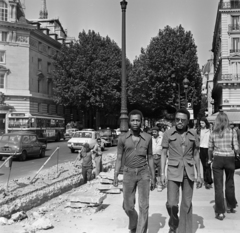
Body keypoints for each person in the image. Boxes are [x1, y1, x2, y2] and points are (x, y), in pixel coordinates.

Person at [113, 109, 155, 233]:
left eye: (137, 120)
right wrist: (116, 174)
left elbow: (150, 157)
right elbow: (119, 157)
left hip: (143, 173)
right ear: (129, 122)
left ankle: (140, 230)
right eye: (133, 120)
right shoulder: (122, 138)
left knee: (144, 206)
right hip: (128, 173)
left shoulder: (148, 138)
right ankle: (134, 220)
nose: (135, 123)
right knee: (128, 206)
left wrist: (153, 177)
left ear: (141, 122)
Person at [161, 108, 202, 233]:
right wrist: (162, 173)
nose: (179, 122)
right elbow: (163, 153)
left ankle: (185, 230)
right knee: (172, 203)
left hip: (188, 172)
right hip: (173, 171)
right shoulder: (168, 133)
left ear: (187, 121)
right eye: (177, 119)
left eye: (182, 120)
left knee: (187, 204)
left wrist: (199, 174)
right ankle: (174, 223)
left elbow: (196, 154)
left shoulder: (193, 133)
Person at [208, 112, 239, 220]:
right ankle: (230, 206)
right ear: (226, 120)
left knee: (218, 186)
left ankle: (220, 212)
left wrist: (210, 158)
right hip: (230, 158)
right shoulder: (232, 131)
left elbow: (210, 148)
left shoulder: (213, 133)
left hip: (217, 159)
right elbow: (236, 147)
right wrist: (237, 153)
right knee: (230, 183)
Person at [199, 117, 213, 189]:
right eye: (200, 123)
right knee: (204, 166)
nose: (201, 124)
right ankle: (206, 180)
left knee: (208, 165)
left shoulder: (209, 130)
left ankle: (209, 181)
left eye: (203, 123)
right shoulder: (199, 131)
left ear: (205, 123)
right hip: (201, 149)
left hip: (208, 149)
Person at [152, 126, 163, 192]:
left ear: (158, 132)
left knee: (159, 171)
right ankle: (153, 183)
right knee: (152, 171)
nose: (154, 133)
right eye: (153, 132)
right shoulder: (150, 139)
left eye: (155, 132)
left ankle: (159, 184)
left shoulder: (162, 138)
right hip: (152, 156)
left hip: (160, 156)